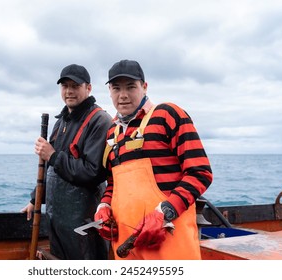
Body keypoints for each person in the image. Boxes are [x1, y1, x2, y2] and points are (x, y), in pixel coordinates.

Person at [94, 59, 213, 260]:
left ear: (144, 86)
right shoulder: (112, 132)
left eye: (131, 87)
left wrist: (164, 212)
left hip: (170, 239)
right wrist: (104, 206)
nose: (122, 95)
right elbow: (113, 183)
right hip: (125, 244)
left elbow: (200, 172)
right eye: (116, 88)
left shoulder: (168, 114)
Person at [21, 64, 112, 260]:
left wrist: (53, 155)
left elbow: (92, 172)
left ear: (88, 88)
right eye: (64, 86)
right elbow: (50, 168)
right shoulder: (61, 121)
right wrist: (35, 199)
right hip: (58, 219)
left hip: (84, 221)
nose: (69, 91)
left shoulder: (100, 121)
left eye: (75, 86)